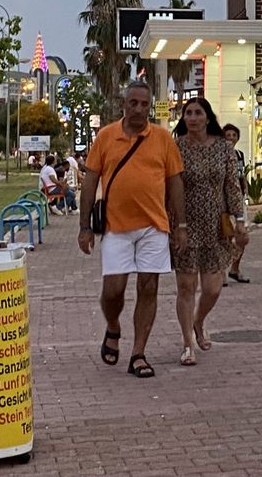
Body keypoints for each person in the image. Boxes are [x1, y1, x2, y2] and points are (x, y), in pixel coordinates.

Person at [77, 81, 186, 379]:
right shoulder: (106, 137)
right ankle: (113, 327)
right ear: (124, 105)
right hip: (116, 227)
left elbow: (175, 182)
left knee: (148, 287)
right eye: (133, 103)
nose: (139, 109)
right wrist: (84, 227)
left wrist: (181, 225)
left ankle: (138, 353)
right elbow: (90, 182)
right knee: (113, 291)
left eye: (144, 104)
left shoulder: (163, 139)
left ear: (150, 107)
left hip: (154, 226)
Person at [172, 98, 247, 366]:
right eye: (188, 113)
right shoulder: (176, 147)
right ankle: (186, 343)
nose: (193, 118)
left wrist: (239, 219)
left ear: (207, 117)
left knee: (213, 288)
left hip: (216, 224)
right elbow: (171, 186)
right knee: (185, 286)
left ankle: (198, 321)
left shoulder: (223, 148)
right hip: (184, 223)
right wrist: (175, 224)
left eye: (198, 113)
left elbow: (232, 186)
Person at [223, 123, 252, 284]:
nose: (231, 139)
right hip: (223, 201)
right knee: (225, 236)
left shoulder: (239, 154)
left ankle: (235, 268)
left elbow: (241, 175)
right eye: (228, 136)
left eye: (234, 136)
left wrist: (245, 189)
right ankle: (221, 271)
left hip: (239, 199)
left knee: (242, 237)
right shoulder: (218, 155)